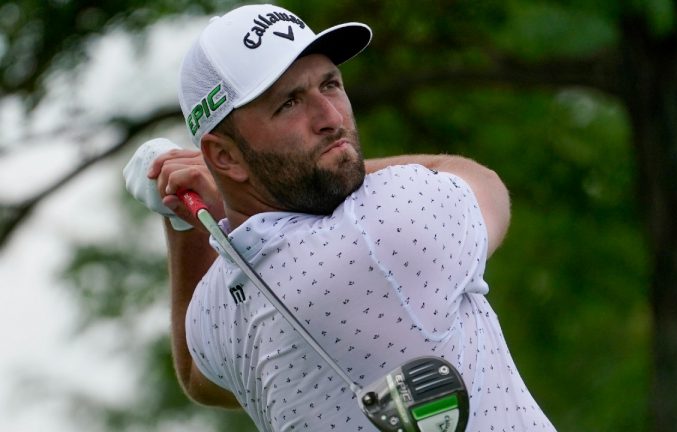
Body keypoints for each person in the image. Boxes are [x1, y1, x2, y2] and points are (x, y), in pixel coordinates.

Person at [125, 4, 556, 431]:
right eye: (289, 103)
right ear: (225, 156)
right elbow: (479, 179)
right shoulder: (386, 222)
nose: (331, 118)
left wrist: (182, 219)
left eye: (329, 85)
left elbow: (199, 379)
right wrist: (335, 160)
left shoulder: (216, 310)